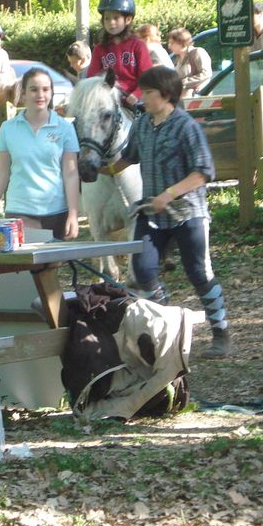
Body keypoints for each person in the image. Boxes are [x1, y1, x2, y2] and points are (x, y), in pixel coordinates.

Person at [101, 66, 232, 359]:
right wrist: (101, 169)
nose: (143, 97)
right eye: (143, 91)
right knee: (144, 272)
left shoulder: (186, 126)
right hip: (151, 213)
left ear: (166, 95)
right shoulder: (143, 124)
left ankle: (220, 330)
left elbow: (204, 172)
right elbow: (128, 157)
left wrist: (169, 194)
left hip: (187, 213)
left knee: (198, 273)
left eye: (148, 92)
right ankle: (171, 333)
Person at [0, 68, 80, 240]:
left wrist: (73, 214)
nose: (40, 95)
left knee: (51, 266)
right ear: (23, 94)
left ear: (52, 92)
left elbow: (71, 174)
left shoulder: (65, 128)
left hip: (57, 212)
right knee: (26, 265)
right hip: (20, 211)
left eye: (45, 89)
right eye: (34, 89)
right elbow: (1, 173)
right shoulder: (8, 129)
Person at [86, 0, 152, 108]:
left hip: (135, 100)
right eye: (107, 18)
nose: (111, 22)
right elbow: (92, 78)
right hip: (107, 102)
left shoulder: (138, 45)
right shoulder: (99, 48)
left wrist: (137, 93)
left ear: (128, 19)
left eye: (116, 18)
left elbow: (147, 76)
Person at [167, 28, 212, 97]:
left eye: (172, 43)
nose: (169, 46)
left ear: (181, 42)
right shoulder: (177, 59)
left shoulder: (197, 52)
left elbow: (206, 73)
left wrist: (184, 82)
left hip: (197, 98)